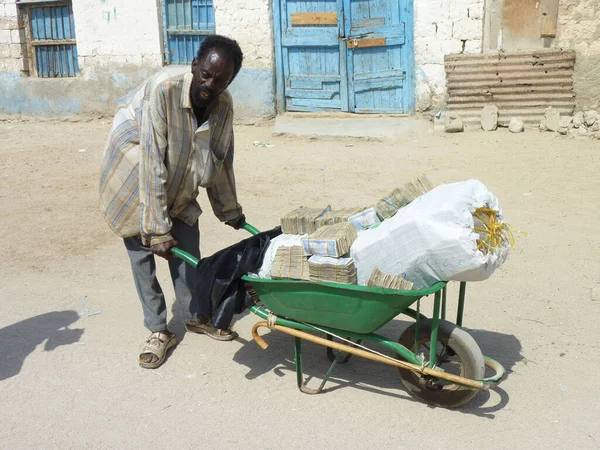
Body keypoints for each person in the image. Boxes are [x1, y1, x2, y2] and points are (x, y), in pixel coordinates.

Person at [99, 35, 247, 369]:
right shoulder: (163, 89)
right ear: (195, 66)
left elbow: (220, 157)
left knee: (188, 247)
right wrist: (156, 230)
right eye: (205, 74)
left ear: (230, 81)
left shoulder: (223, 105)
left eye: (220, 80)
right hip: (134, 167)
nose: (210, 85)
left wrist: (230, 210)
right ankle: (157, 329)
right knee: (143, 252)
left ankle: (193, 314)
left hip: (176, 175)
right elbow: (151, 161)